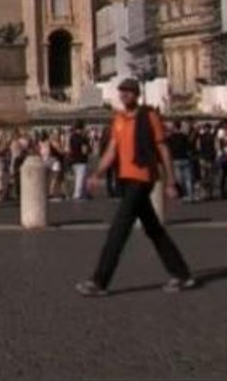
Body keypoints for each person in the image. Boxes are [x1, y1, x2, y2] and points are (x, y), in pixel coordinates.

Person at [76, 78, 196, 297]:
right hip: (125, 179)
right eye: (122, 91)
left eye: (128, 92)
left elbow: (163, 149)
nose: (124, 95)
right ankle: (182, 274)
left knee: (118, 230)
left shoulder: (149, 116)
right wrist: (97, 173)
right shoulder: (119, 119)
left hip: (142, 177)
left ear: (137, 95)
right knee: (153, 229)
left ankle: (99, 281)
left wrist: (171, 181)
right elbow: (112, 151)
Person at [167, 123, 194, 203]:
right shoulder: (184, 136)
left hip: (176, 159)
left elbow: (168, 148)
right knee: (188, 179)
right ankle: (190, 196)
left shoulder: (171, 137)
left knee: (179, 179)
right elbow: (189, 146)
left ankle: (183, 195)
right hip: (185, 158)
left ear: (174, 127)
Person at [67, 122, 91, 201]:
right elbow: (84, 150)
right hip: (81, 160)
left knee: (81, 178)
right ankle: (77, 194)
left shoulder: (72, 137)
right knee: (80, 178)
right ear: (82, 128)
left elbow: (69, 148)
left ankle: (84, 193)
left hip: (74, 159)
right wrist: (89, 149)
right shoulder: (83, 138)